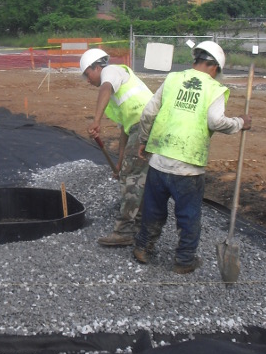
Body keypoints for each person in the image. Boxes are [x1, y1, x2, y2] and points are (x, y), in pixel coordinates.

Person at [134, 41, 251, 274]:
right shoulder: (214, 88)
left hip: (159, 160)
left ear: (195, 60)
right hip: (188, 167)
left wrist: (144, 141)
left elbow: (148, 113)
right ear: (215, 68)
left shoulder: (172, 79)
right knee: (188, 215)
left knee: (152, 208)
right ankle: (184, 261)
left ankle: (143, 248)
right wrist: (239, 123)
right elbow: (216, 121)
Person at [80, 48, 154, 246]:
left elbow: (105, 87)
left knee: (132, 179)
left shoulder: (111, 71)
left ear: (97, 66)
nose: (88, 80)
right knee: (137, 177)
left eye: (88, 74)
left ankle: (125, 231)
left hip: (146, 124)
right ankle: (140, 226)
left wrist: (96, 121)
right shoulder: (117, 94)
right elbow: (125, 132)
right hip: (145, 126)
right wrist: (120, 163)